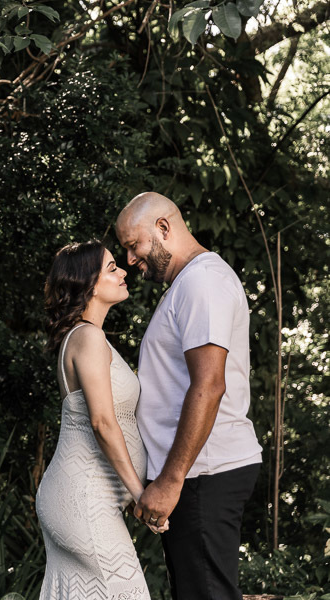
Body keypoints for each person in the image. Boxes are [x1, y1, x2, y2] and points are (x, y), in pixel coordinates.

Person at [115, 192, 262, 600]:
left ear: (163, 228)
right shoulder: (188, 285)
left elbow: (209, 385)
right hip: (196, 476)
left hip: (203, 475)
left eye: (133, 245)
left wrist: (171, 479)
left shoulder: (203, 282)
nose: (130, 259)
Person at [37, 240, 163, 600]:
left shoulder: (86, 337)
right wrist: (141, 497)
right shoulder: (88, 337)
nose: (123, 271)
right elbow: (103, 423)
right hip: (83, 501)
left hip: (84, 498)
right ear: (87, 283)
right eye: (111, 268)